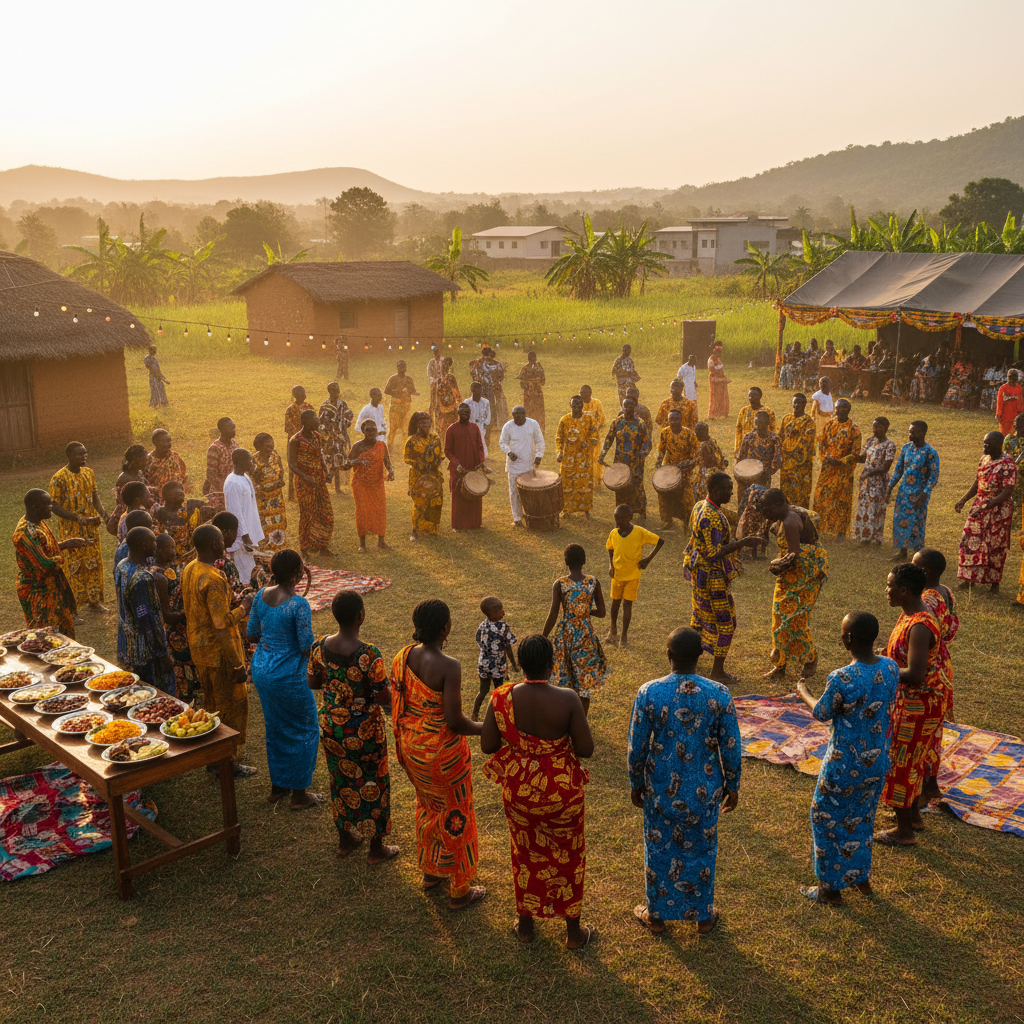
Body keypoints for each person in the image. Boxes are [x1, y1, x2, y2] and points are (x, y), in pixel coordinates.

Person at [482, 634, 595, 947]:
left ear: (520, 665)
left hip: (519, 791)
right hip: (563, 794)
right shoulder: (568, 698)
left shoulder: (502, 697)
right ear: (553, 663)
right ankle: (573, 933)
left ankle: (526, 927)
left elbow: (488, 745)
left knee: (525, 854)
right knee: (569, 856)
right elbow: (585, 749)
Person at [628, 625, 741, 936]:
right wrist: (733, 786)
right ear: (701, 656)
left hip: (660, 788)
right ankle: (703, 917)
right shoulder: (718, 694)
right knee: (702, 849)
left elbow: (637, 746)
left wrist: (636, 782)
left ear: (668, 655)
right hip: (705, 791)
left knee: (659, 847)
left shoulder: (649, 692)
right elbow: (731, 746)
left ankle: (657, 917)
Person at [794, 612, 899, 904]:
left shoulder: (842, 677)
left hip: (844, 765)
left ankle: (829, 888)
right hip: (877, 762)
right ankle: (860, 878)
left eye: (842, 633)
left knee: (825, 818)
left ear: (848, 639)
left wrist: (803, 692)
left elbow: (821, 713)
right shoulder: (890, 668)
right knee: (862, 818)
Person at [390, 600, 485, 910]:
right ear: (446, 628)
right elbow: (455, 721)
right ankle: (459, 890)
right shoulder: (449, 666)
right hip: (443, 758)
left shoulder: (402, 657)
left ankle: (431, 872)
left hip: (411, 750)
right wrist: (489, 728)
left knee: (428, 808)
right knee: (456, 815)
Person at [309, 590, 398, 863]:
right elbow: (383, 696)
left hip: (332, 728)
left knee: (341, 780)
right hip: (365, 732)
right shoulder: (369, 654)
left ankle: (345, 840)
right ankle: (376, 848)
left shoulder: (319, 646)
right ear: (361, 616)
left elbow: (313, 683)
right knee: (374, 783)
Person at [877, 563, 951, 847]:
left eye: (889, 585)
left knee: (902, 764)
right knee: (910, 761)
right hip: (912, 702)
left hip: (919, 704)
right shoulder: (910, 614)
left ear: (904, 591)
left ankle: (904, 831)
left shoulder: (919, 625)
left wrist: (882, 670)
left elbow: (916, 674)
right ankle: (914, 818)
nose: (887, 590)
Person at [247, 548, 320, 810]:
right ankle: (299, 795)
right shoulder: (298, 604)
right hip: (288, 675)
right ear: (298, 574)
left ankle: (278, 785)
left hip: (262, 672)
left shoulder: (260, 596)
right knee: (306, 728)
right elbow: (304, 646)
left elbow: (252, 635)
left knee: (276, 727)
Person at [181, 523, 256, 777]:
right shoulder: (212, 577)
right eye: (221, 543)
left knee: (212, 704)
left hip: (200, 650)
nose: (225, 546)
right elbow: (222, 623)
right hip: (220, 653)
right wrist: (244, 606)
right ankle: (227, 762)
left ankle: (214, 759)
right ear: (214, 545)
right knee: (231, 707)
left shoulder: (190, 568)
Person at [684, 473, 759, 683]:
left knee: (699, 617)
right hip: (712, 576)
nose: (731, 492)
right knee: (726, 623)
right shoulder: (711, 517)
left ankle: (690, 661)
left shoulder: (700, 506)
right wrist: (742, 543)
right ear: (716, 490)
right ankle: (717, 671)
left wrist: (686, 561)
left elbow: (693, 540)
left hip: (700, 573)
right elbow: (712, 553)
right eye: (727, 488)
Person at [757, 489, 829, 681]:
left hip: (803, 572)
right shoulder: (785, 514)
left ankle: (810, 659)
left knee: (795, 617)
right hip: (795, 571)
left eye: (767, 510)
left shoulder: (789, 520)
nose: (766, 515)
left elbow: (793, 554)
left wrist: (775, 565)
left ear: (778, 505)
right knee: (780, 617)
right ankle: (780, 665)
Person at [542, 544, 608, 715]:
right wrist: (585, 611)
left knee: (564, 678)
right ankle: (582, 721)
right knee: (584, 682)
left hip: (566, 634)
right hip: (586, 635)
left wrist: (543, 636)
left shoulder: (560, 584)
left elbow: (554, 613)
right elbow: (602, 613)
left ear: (566, 562)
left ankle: (565, 718)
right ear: (584, 561)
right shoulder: (593, 582)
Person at [914, 548, 958, 801]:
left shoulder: (927, 600)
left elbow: (923, 636)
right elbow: (949, 631)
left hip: (927, 667)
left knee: (920, 731)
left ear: (925, 571)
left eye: (914, 565)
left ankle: (921, 786)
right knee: (933, 731)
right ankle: (929, 784)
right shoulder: (946, 592)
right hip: (942, 664)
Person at [13, 489, 86, 637]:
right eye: (47, 504)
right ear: (35, 507)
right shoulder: (25, 533)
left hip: (52, 589)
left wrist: (66, 544)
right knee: (46, 637)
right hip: (39, 593)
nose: (51, 506)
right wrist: (60, 557)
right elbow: (45, 564)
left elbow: (44, 550)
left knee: (64, 635)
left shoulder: (38, 523)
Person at [114, 527, 175, 693]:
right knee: (153, 694)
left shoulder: (122, 566)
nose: (156, 545)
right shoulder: (143, 578)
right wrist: (162, 655)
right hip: (144, 652)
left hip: (126, 643)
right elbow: (149, 621)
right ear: (144, 546)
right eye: (153, 541)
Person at [955, 430, 1017, 594]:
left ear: (999, 444)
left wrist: (989, 505)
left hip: (998, 510)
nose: (985, 445)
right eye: (984, 442)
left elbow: (1008, 490)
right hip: (979, 506)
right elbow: (978, 482)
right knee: (969, 541)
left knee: (994, 546)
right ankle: (968, 579)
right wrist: (963, 500)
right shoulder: (984, 459)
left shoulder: (1008, 463)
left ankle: (994, 584)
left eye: (988, 443)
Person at [49, 441, 107, 614]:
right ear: (69, 456)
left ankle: (94, 602)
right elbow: (54, 505)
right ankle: (73, 609)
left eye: (85, 453)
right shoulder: (58, 478)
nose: (83, 457)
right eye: (79, 454)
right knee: (74, 567)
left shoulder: (89, 473)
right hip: (71, 531)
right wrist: (77, 519)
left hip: (91, 528)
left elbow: (95, 496)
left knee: (93, 564)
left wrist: (104, 515)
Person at [605, 504, 664, 648]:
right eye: (616, 520)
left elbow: (660, 541)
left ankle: (624, 635)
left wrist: (647, 560)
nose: (618, 523)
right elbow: (610, 549)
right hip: (617, 575)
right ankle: (613, 630)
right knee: (615, 604)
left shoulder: (639, 532)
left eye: (621, 520)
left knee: (627, 605)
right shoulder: (614, 533)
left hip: (633, 576)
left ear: (630, 518)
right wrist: (611, 566)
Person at [152, 532, 196, 701]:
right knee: (179, 670)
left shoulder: (170, 569)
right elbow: (166, 615)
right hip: (173, 632)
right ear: (159, 550)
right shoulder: (158, 577)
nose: (174, 550)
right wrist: (190, 612)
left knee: (187, 668)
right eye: (170, 548)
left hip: (181, 629)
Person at [886, 420, 940, 558]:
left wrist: (925, 494)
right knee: (901, 520)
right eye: (910, 432)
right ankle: (902, 551)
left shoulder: (930, 452)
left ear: (923, 433)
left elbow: (933, 476)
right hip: (904, 492)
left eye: (914, 432)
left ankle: (917, 554)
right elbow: (898, 470)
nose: (911, 435)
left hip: (919, 493)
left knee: (917, 522)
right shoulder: (906, 448)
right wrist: (890, 487)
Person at [288, 409, 335, 559]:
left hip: (319, 481)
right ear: (306, 422)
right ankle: (304, 548)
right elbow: (291, 463)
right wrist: (304, 476)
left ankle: (322, 545)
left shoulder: (317, 436)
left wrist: (326, 471)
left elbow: (319, 456)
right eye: (315, 419)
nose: (318, 421)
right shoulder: (296, 440)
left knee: (324, 513)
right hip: (304, 484)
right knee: (307, 514)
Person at [813, 399, 862, 540]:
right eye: (837, 407)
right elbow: (821, 443)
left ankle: (841, 531)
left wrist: (840, 462)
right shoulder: (829, 423)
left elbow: (856, 453)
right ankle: (820, 527)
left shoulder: (854, 429)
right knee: (820, 495)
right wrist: (825, 459)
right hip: (828, 467)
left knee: (842, 500)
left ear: (848, 410)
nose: (838, 410)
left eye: (842, 408)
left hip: (843, 470)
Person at [344, 419, 394, 552]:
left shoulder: (382, 445)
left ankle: (381, 541)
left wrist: (391, 471)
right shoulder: (357, 446)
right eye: (368, 430)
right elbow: (346, 465)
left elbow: (387, 461)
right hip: (360, 483)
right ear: (363, 431)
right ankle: (362, 544)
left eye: (373, 429)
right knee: (362, 511)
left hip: (377, 482)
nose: (371, 432)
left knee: (380, 510)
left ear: (377, 431)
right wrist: (358, 460)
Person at [599, 396, 652, 519]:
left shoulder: (640, 424)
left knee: (636, 486)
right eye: (625, 406)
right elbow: (609, 438)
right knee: (620, 487)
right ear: (622, 407)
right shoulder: (617, 422)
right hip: (620, 461)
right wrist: (602, 455)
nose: (627, 409)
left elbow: (647, 444)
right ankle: (622, 513)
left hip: (635, 462)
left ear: (634, 407)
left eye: (630, 406)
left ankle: (640, 511)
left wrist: (640, 458)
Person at [851, 417, 897, 546]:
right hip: (866, 481)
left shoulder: (889, 445)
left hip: (878, 482)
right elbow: (863, 458)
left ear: (886, 428)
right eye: (874, 427)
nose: (875, 430)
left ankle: (876, 538)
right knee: (864, 508)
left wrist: (870, 472)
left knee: (876, 509)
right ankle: (864, 536)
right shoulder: (870, 441)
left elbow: (886, 467)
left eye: (878, 427)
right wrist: (852, 456)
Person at [499, 405, 545, 527]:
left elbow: (539, 441)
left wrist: (538, 457)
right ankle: (517, 519)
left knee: (529, 493)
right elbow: (502, 442)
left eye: (521, 414)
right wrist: (509, 452)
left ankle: (530, 515)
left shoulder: (533, 424)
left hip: (528, 465)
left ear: (525, 414)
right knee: (514, 492)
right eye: (515, 415)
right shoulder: (508, 426)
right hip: (513, 466)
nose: (518, 417)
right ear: (512, 415)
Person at [224, 448, 264, 586]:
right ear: (241, 462)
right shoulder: (233, 483)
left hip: (248, 532)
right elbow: (235, 513)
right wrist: (245, 536)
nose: (252, 462)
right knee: (245, 572)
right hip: (241, 537)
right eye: (249, 460)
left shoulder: (244, 477)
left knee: (250, 567)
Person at [445, 402, 488, 530]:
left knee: (475, 492)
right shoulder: (451, 429)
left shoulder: (475, 428)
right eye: (463, 413)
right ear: (458, 413)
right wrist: (456, 464)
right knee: (458, 494)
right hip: (457, 468)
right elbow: (447, 451)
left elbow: (480, 447)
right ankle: (458, 525)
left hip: (473, 466)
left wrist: (481, 462)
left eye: (468, 413)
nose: (466, 415)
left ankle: (475, 524)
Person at [473, 597, 518, 720]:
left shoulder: (482, 625)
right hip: (498, 665)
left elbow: (478, 639)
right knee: (500, 691)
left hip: (484, 664)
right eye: (500, 611)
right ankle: (500, 715)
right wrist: (513, 664)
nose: (503, 612)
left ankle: (475, 713)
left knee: (483, 691)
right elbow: (508, 647)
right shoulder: (503, 627)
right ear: (491, 613)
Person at [404, 410, 445, 541]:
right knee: (419, 502)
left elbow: (441, 455)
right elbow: (407, 458)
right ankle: (415, 531)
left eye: (428, 422)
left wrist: (437, 462)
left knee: (435, 501)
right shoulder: (412, 440)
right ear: (417, 424)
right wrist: (419, 465)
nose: (426, 424)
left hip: (434, 474)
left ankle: (432, 529)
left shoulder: (435, 438)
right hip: (418, 476)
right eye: (422, 422)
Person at [653, 408, 698, 528]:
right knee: (664, 495)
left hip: (685, 469)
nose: (673, 422)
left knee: (686, 497)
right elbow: (661, 450)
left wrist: (685, 465)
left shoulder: (689, 434)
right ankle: (668, 521)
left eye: (676, 419)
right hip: (668, 468)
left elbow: (695, 456)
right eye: (671, 419)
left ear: (681, 420)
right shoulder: (665, 432)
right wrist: (658, 464)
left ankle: (686, 523)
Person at [556, 395, 598, 518]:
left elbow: (594, 435)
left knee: (584, 483)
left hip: (584, 458)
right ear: (571, 406)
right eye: (573, 406)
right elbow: (559, 438)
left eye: (578, 406)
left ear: (582, 406)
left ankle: (585, 510)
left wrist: (589, 444)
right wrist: (559, 452)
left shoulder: (589, 418)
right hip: (568, 457)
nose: (576, 408)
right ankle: (567, 509)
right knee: (567, 483)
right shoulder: (564, 419)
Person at [779, 393, 817, 509]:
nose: (797, 405)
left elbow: (807, 442)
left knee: (801, 493)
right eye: (795, 402)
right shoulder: (786, 418)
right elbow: (780, 437)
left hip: (802, 466)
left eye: (800, 403)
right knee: (786, 490)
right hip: (786, 464)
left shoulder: (809, 422)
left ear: (805, 404)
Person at [252, 433, 287, 551]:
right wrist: (266, 488)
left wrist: (280, 482)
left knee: (278, 525)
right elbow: (253, 483)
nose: (271, 447)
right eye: (267, 445)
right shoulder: (254, 461)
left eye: (272, 443)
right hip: (263, 502)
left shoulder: (275, 455)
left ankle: (279, 550)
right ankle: (267, 552)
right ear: (259, 447)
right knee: (266, 526)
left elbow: (281, 472)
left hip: (277, 499)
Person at [153, 480, 204, 560]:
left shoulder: (188, 511)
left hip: (188, 555)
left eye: (181, 493)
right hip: (167, 557)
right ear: (165, 497)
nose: (180, 495)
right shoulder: (160, 513)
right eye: (175, 494)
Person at [319, 382, 352, 493]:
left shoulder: (343, 404)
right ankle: (326, 484)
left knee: (338, 460)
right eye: (333, 390)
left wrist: (346, 437)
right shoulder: (324, 406)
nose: (336, 392)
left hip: (339, 436)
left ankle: (337, 487)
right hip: (328, 438)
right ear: (329, 391)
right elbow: (320, 422)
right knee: (328, 460)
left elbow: (346, 421)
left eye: (337, 389)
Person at [285, 385, 314, 502]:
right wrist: (300, 438)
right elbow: (289, 428)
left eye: (304, 392)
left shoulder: (309, 407)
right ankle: (292, 494)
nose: (304, 394)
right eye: (301, 393)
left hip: (308, 440)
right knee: (293, 465)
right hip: (295, 441)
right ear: (295, 395)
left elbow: (314, 423)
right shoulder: (290, 409)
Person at [205, 416, 240, 510]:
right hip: (219, 494)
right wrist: (226, 488)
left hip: (233, 490)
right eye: (231, 428)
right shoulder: (215, 448)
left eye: (234, 427)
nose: (234, 430)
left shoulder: (235, 445)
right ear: (222, 430)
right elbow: (211, 475)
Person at [384, 359, 419, 448]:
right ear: (397, 368)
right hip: (395, 406)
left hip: (406, 406)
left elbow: (413, 390)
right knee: (393, 428)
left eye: (403, 367)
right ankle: (389, 447)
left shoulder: (409, 379)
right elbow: (386, 391)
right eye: (400, 367)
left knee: (406, 428)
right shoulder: (393, 379)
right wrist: (397, 391)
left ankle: (407, 447)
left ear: (406, 368)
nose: (402, 369)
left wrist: (415, 393)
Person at [734, 387, 776, 457]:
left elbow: (773, 430)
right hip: (746, 449)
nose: (751, 397)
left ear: (760, 396)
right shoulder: (744, 411)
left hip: (762, 450)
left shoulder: (768, 412)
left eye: (754, 395)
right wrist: (737, 449)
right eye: (749, 395)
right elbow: (738, 431)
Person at [692, 422, 728, 504]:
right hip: (716, 473)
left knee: (698, 494)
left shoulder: (703, 445)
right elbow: (720, 456)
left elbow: (695, 460)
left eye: (698, 434)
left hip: (707, 474)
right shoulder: (713, 440)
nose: (697, 436)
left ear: (704, 433)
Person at [472, 346, 509, 428]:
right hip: (495, 388)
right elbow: (501, 376)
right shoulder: (498, 364)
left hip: (482, 388)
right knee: (494, 404)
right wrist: (495, 383)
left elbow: (475, 376)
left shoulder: (477, 364)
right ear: (491, 353)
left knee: (482, 405)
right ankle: (494, 423)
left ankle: (484, 421)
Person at [146, 429, 188, 498]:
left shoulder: (174, 456)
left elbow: (182, 472)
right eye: (163, 441)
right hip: (156, 497)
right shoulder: (148, 461)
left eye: (169, 441)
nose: (166, 444)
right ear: (155, 442)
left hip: (176, 496)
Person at [579, 384, 606, 487]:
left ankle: (597, 480)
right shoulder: (578, 403)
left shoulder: (596, 403)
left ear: (589, 394)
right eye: (580, 393)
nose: (581, 396)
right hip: (581, 435)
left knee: (595, 457)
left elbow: (602, 420)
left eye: (583, 394)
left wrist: (594, 428)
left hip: (594, 435)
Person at [1004, 412, 1024, 530]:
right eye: (1016, 428)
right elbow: (1006, 457)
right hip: (1013, 478)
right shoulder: (1009, 440)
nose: (1018, 431)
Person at [517, 350, 546, 431]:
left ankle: (529, 427)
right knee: (539, 410)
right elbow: (543, 381)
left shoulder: (525, 368)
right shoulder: (539, 367)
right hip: (538, 392)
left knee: (528, 410)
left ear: (528, 359)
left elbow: (521, 383)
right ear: (535, 358)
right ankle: (540, 427)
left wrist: (528, 384)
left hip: (528, 393)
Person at [434, 357, 463, 436]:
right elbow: (436, 393)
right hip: (441, 406)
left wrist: (458, 405)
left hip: (449, 407)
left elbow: (456, 392)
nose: (443, 367)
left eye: (445, 365)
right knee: (441, 429)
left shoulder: (450, 378)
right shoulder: (439, 378)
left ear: (448, 367)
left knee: (450, 428)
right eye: (442, 365)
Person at [466, 380, 492, 459]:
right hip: (470, 425)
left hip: (481, 425)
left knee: (481, 440)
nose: (480, 392)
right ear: (473, 390)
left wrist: (486, 423)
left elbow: (488, 414)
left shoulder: (485, 402)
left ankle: (482, 456)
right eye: (478, 390)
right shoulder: (467, 403)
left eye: (481, 390)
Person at [996, 369, 1023, 436]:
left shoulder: (1019, 388)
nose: (1012, 383)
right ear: (1007, 379)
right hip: (1005, 418)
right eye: (1010, 381)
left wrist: (1021, 413)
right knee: (1005, 436)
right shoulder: (1003, 388)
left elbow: (1021, 402)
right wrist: (999, 414)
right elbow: (1000, 402)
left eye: (1014, 382)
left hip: (1016, 417)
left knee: (1015, 436)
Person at [707, 344, 730, 419]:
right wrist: (721, 379)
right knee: (715, 397)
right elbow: (713, 372)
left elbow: (721, 370)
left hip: (721, 379)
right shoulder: (711, 360)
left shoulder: (718, 359)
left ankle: (723, 412)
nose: (720, 353)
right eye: (719, 352)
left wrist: (724, 377)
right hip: (715, 380)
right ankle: (713, 414)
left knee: (723, 396)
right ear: (715, 352)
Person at [426, 345, 444, 426]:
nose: (437, 355)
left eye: (438, 354)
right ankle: (431, 418)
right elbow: (429, 373)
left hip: (442, 384)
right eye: (435, 354)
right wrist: (434, 380)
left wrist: (441, 379)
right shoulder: (431, 362)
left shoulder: (443, 361)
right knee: (433, 401)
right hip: (434, 384)